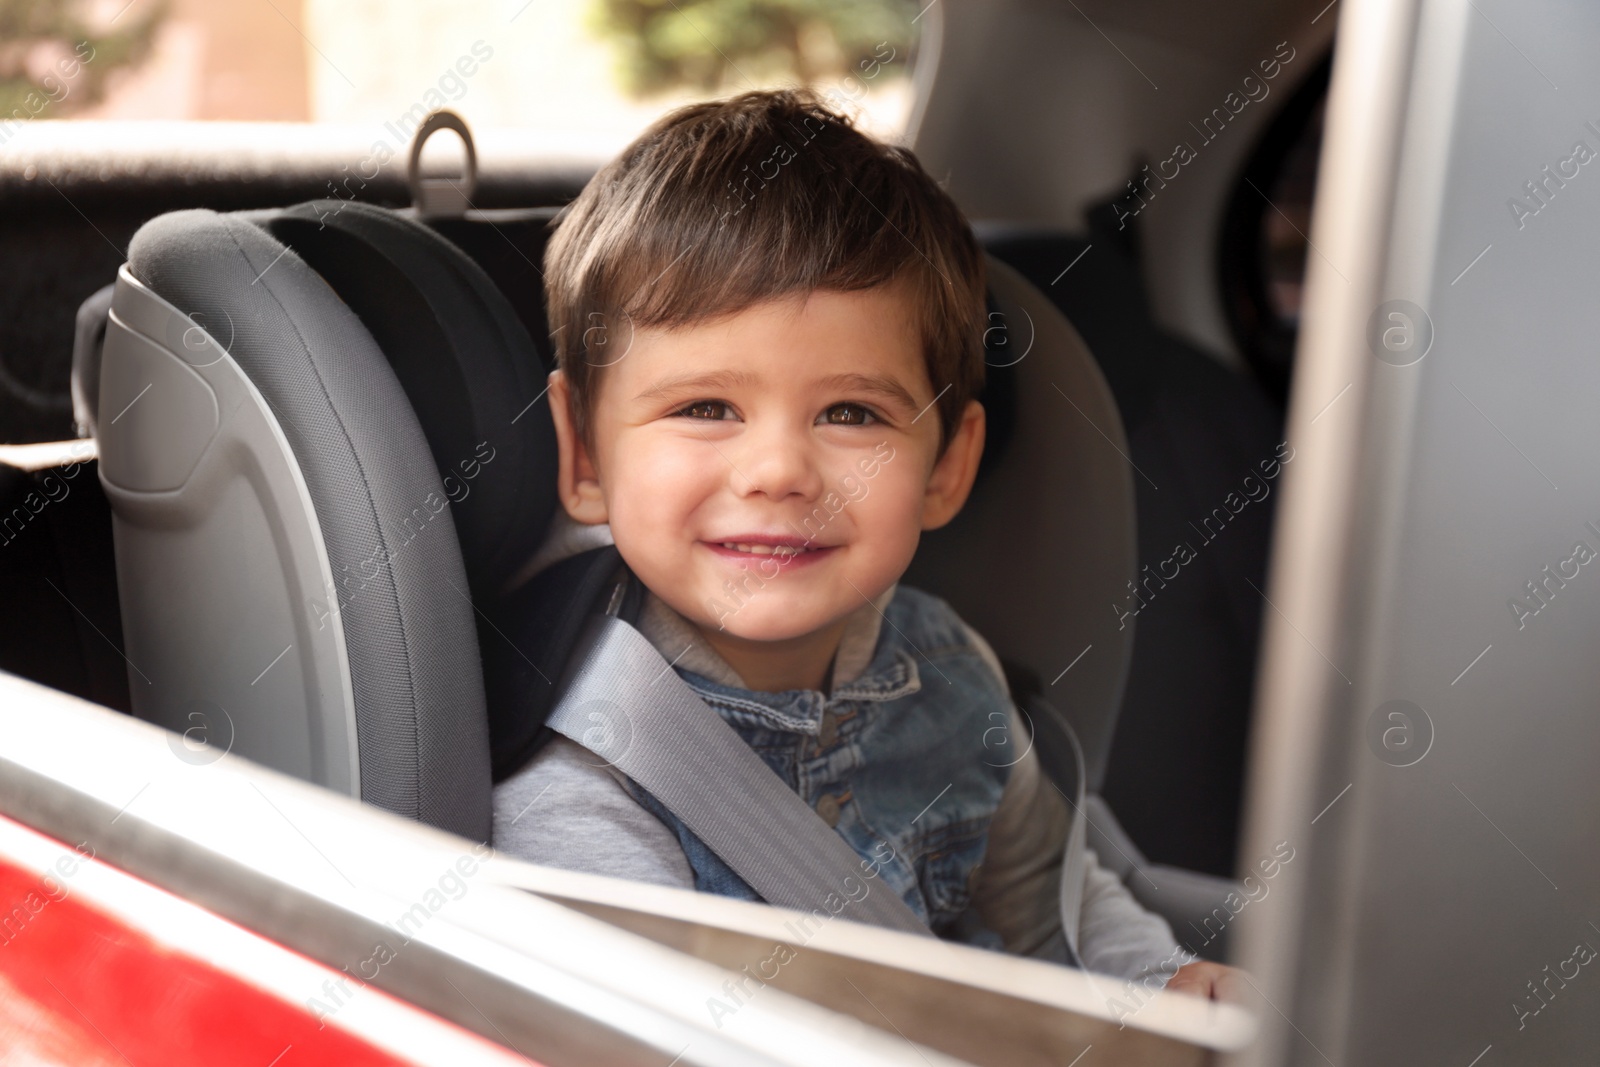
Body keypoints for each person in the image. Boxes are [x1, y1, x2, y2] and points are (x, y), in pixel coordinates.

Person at [492, 87, 1236, 1000]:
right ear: (586, 457)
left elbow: (1052, 910)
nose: (778, 470)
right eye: (704, 407)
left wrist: (1159, 981)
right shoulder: (587, 783)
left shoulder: (950, 672)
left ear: (945, 468)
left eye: (850, 412)